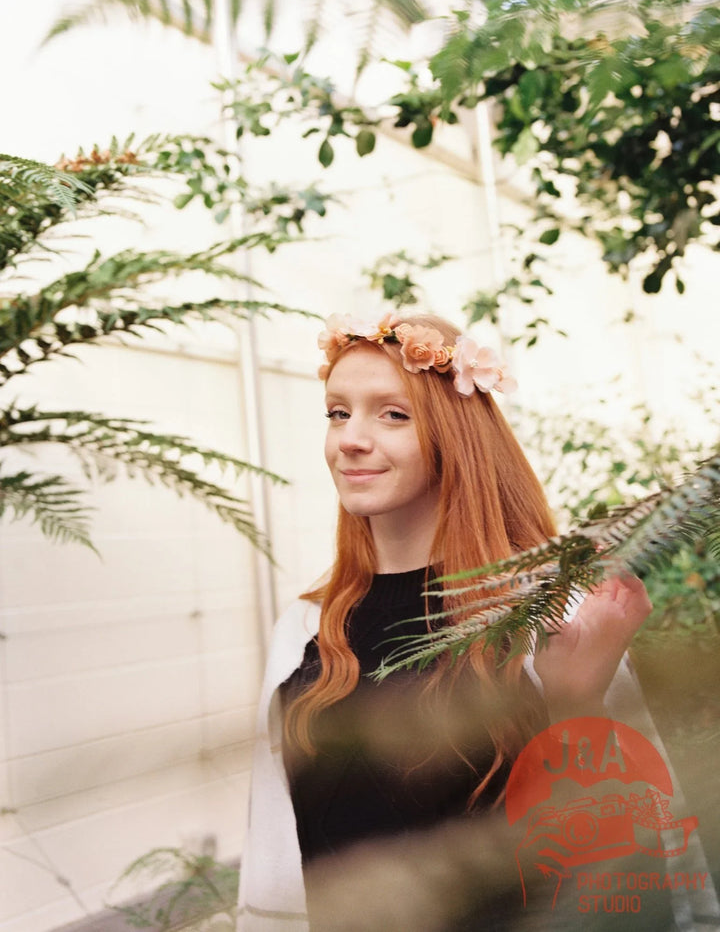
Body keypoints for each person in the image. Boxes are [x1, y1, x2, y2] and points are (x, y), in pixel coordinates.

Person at [237, 313, 715, 932]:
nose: (349, 439)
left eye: (393, 414)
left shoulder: (549, 606)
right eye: (337, 412)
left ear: (454, 436)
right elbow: (274, 845)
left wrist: (576, 703)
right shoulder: (306, 626)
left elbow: (637, 861)